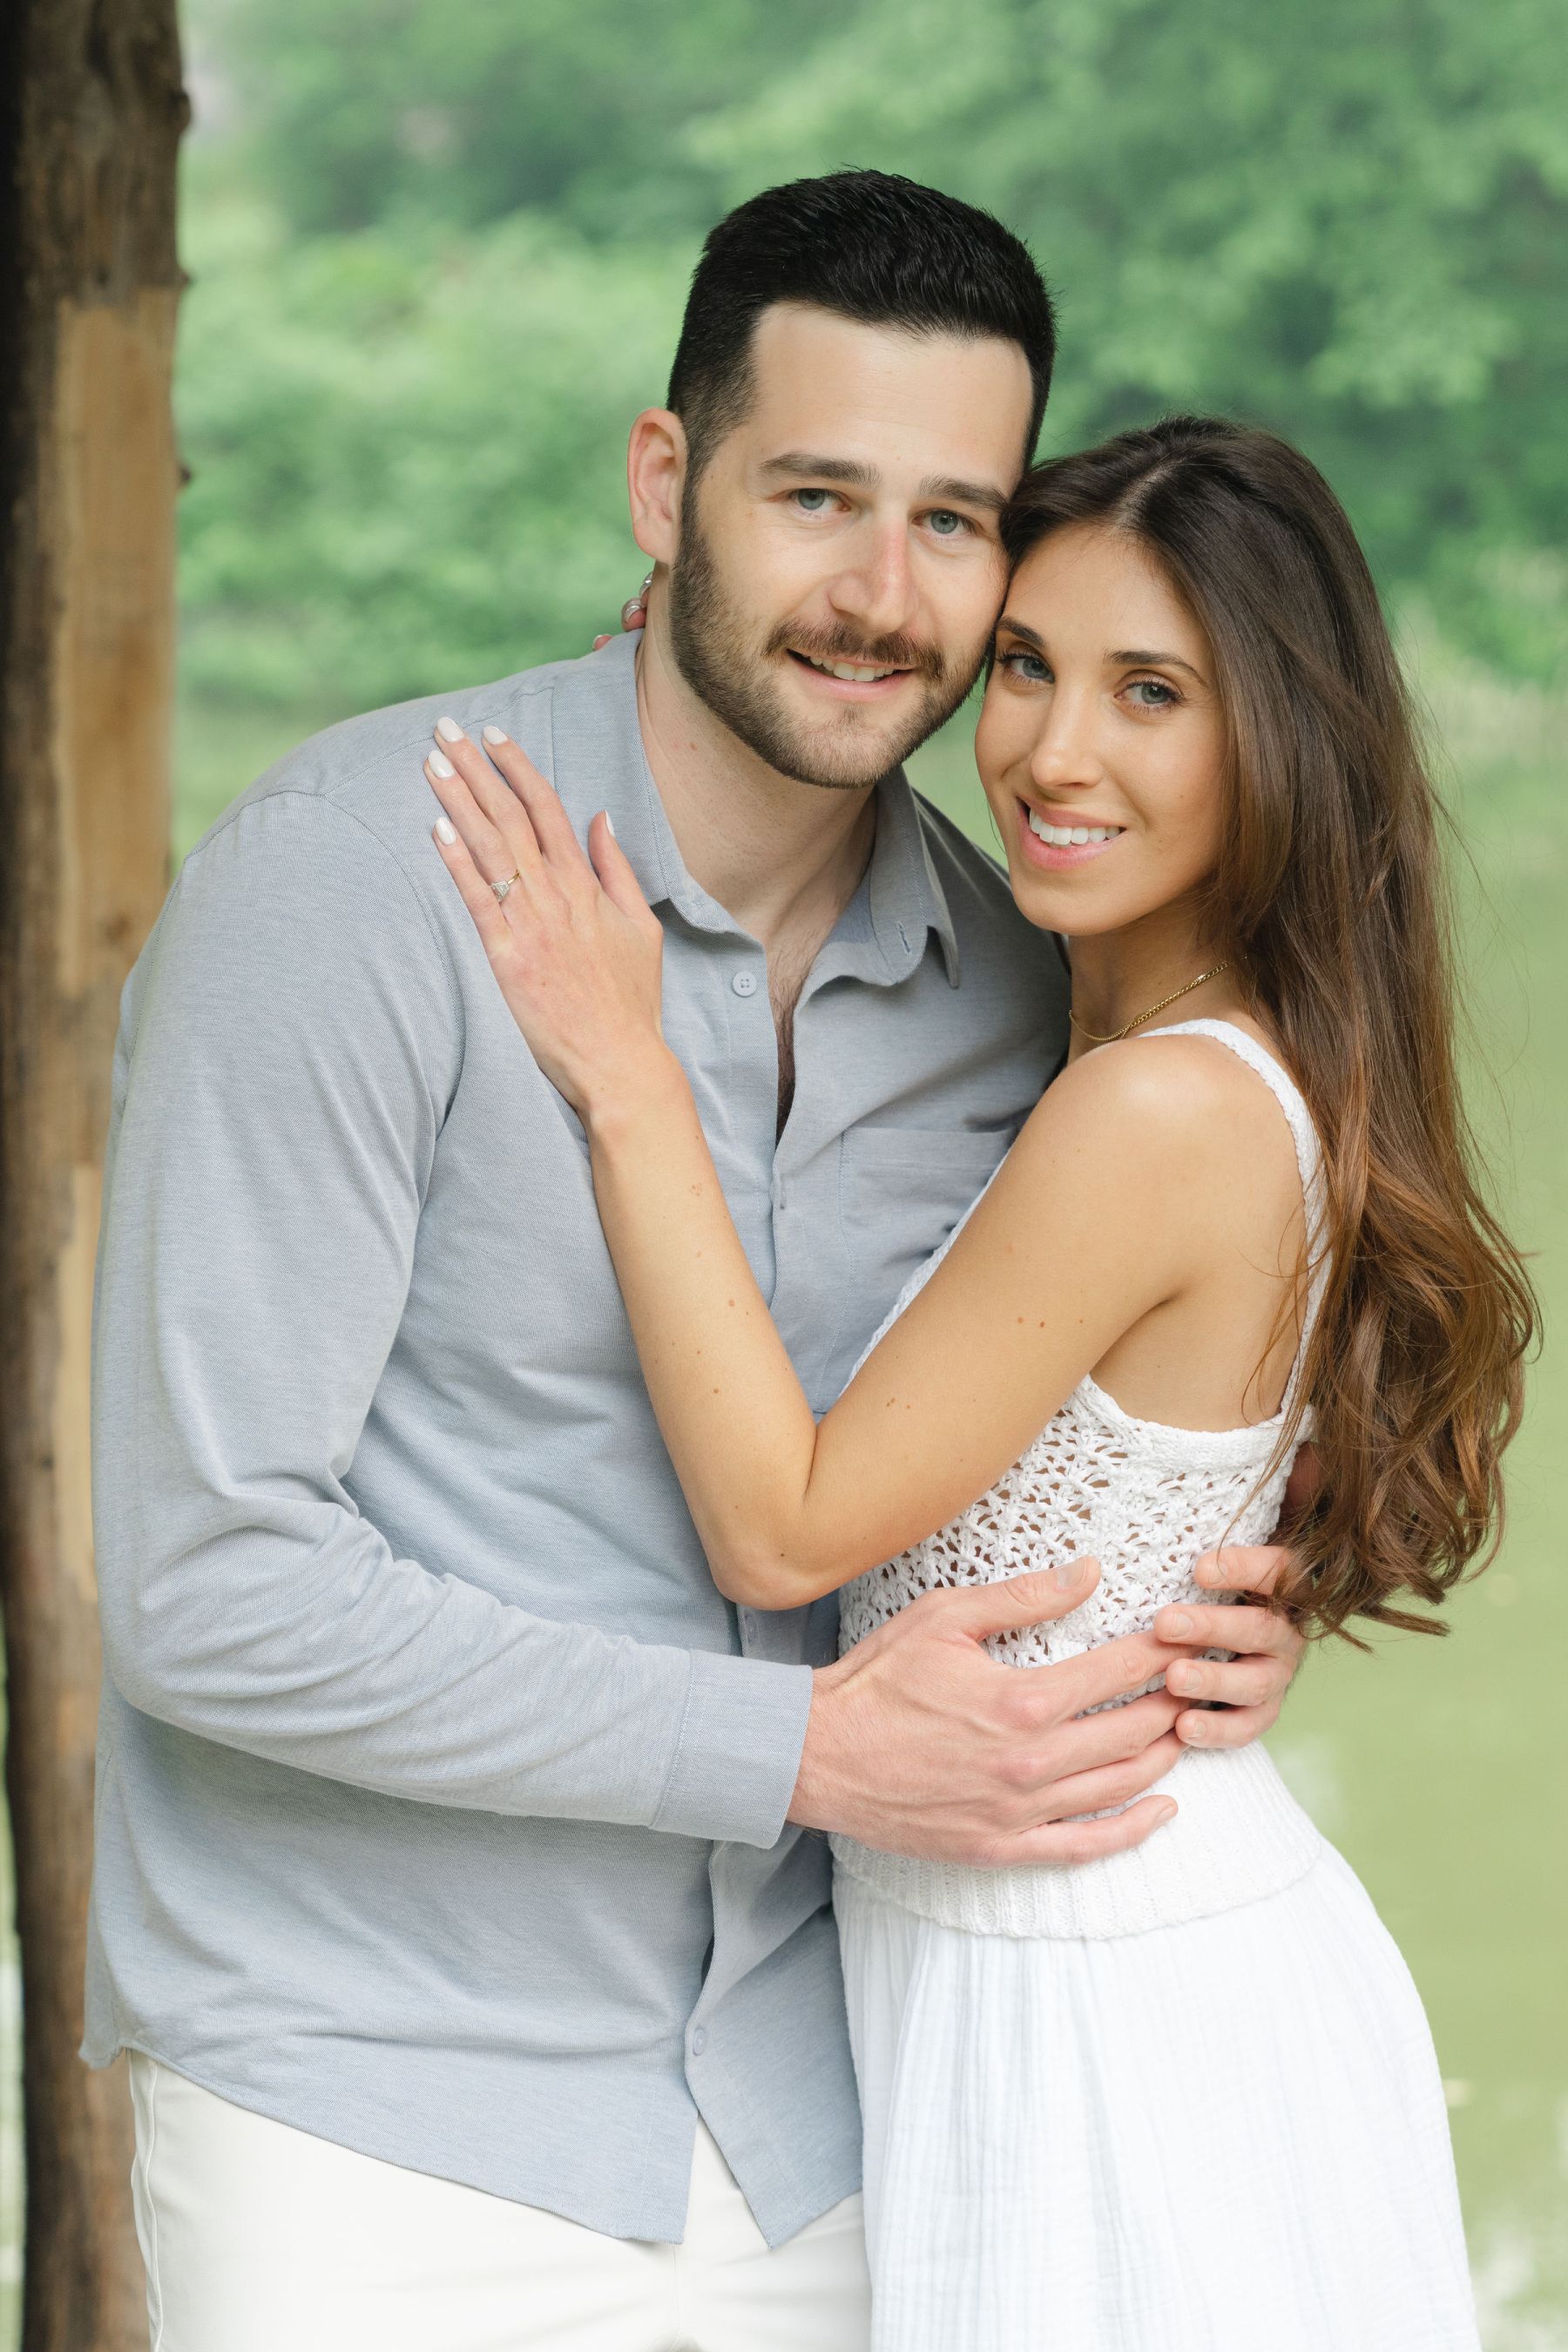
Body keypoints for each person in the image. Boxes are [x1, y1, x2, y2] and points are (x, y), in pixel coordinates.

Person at [88, 174, 1305, 2349]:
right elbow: (211, 1589)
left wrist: (1192, 1626)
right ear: (667, 487)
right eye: (815, 495)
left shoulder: (1020, 997)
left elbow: (982, 1477)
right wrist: (796, 1758)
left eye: (952, 522)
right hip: (380, 2134)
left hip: (848, 2127)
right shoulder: (357, 893)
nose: (878, 594)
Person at [426, 413, 1533, 2349]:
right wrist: (706, 695)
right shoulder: (1162, 1047)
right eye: (1024, 665)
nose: (1051, 751)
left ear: (1277, 736)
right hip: (1050, 1953)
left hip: (1115, 1999)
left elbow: (784, 1526)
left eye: (1151, 692)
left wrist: (625, 1071)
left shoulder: (1160, 1108)